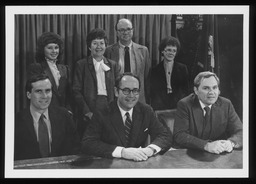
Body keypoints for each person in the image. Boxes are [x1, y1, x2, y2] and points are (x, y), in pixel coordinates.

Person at [81, 72, 172, 162]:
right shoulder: (102, 112)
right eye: (126, 90)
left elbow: (164, 135)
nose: (131, 95)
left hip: (138, 164)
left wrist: (150, 150)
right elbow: (88, 143)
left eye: (135, 90)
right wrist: (122, 152)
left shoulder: (146, 110)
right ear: (116, 92)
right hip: (111, 166)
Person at [173, 71, 243, 154]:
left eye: (215, 87)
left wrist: (231, 143)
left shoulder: (226, 104)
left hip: (217, 155)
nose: (211, 92)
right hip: (191, 154)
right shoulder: (185, 104)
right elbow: (180, 135)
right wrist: (206, 145)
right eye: (206, 88)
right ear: (196, 90)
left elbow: (241, 131)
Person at [14, 74, 80, 160]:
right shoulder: (16, 121)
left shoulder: (64, 116)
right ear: (29, 95)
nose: (45, 96)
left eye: (48, 91)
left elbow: (76, 148)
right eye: (39, 91)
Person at [72, 28, 120, 138]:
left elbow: (118, 89)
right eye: (95, 43)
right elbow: (76, 91)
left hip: (109, 107)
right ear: (89, 46)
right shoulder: (81, 65)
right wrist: (87, 112)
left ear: (106, 46)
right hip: (90, 108)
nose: (99, 47)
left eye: (101, 43)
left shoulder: (113, 65)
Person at [104, 18, 151, 104]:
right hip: (117, 98)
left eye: (128, 29)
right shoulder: (108, 51)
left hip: (138, 98)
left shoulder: (143, 51)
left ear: (133, 30)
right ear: (117, 33)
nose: (125, 32)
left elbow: (146, 77)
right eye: (122, 30)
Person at [27, 32, 73, 113]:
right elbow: (36, 94)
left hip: (64, 113)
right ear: (42, 50)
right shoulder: (36, 67)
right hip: (44, 112)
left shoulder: (65, 69)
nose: (54, 51)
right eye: (50, 48)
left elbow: (69, 94)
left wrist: (68, 110)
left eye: (56, 47)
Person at [150, 36, 189, 110]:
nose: (171, 53)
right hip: (161, 107)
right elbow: (154, 93)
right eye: (169, 50)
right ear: (162, 51)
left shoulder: (183, 69)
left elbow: (185, 91)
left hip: (179, 106)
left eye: (174, 51)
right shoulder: (155, 70)